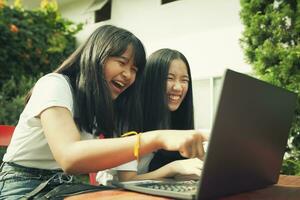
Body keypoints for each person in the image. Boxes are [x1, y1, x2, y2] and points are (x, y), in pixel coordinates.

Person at [0, 25, 207, 199]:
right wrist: (157, 138)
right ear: (96, 56)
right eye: (122, 63)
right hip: (21, 185)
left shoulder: (96, 105)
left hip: (60, 185)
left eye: (134, 69)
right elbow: (70, 156)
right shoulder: (54, 84)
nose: (128, 75)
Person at [96, 48, 205, 184]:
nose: (178, 87)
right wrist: (174, 168)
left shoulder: (176, 121)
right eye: (169, 78)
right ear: (152, 81)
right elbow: (127, 180)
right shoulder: (129, 118)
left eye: (184, 80)